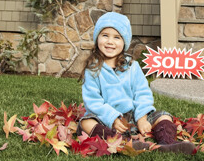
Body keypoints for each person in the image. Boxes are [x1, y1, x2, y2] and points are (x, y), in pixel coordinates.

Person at [79, 12, 197, 155]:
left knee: (164, 116)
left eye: (117, 37)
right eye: (105, 35)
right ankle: (121, 143)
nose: (110, 41)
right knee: (86, 122)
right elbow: (93, 101)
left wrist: (141, 118)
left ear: (125, 42)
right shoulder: (93, 69)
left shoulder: (132, 67)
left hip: (133, 116)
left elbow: (142, 93)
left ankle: (166, 144)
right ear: (97, 37)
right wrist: (112, 118)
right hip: (107, 119)